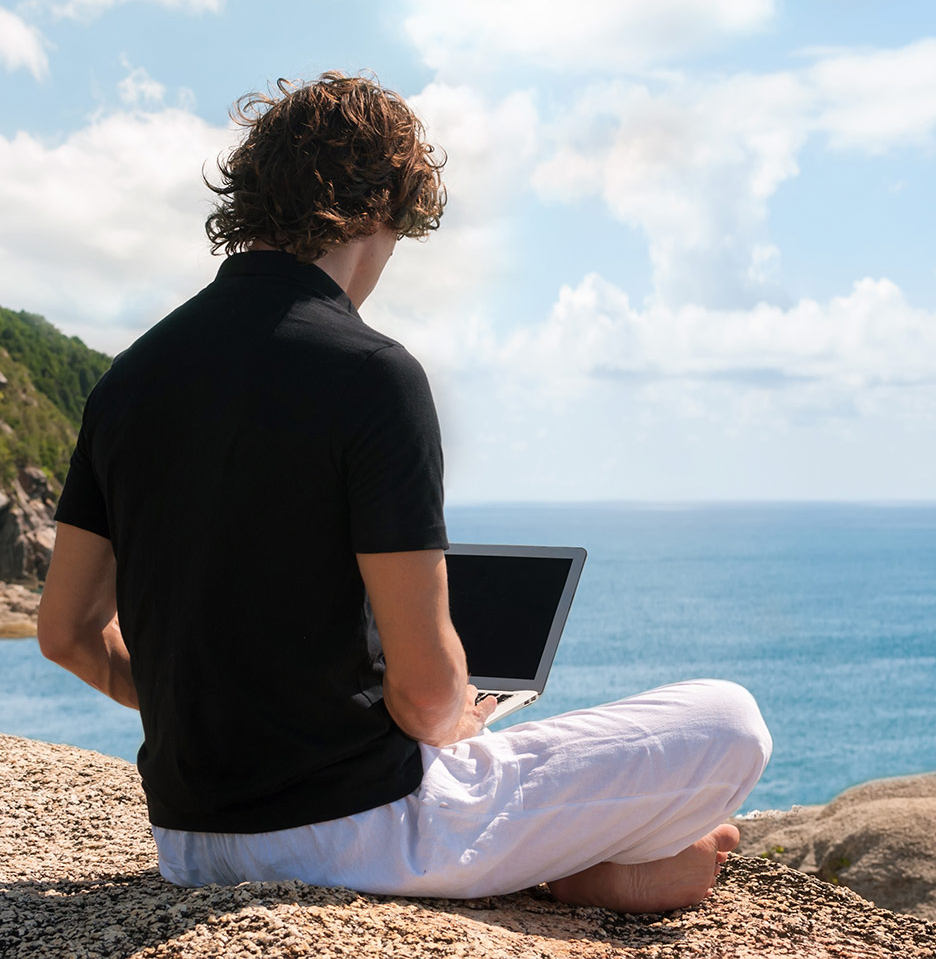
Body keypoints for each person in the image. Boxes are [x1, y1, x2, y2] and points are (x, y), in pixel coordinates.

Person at [37, 72, 772, 913]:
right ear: (383, 211)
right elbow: (424, 699)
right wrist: (453, 716)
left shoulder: (127, 381)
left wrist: (192, 706)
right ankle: (579, 872)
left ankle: (580, 868)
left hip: (189, 843)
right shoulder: (371, 374)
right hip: (362, 833)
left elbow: (65, 634)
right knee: (730, 719)